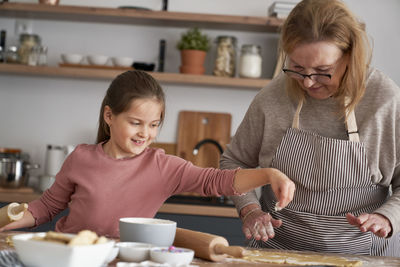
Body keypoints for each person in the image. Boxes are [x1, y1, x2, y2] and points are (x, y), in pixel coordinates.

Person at [0, 70, 295, 238]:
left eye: (154, 125)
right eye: (136, 123)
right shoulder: (81, 157)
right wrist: (7, 224)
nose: (146, 133)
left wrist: (269, 174)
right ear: (109, 116)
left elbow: (217, 181)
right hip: (70, 257)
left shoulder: (162, 167)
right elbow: (45, 208)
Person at [220, 0, 400, 257]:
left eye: (323, 71)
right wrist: (250, 210)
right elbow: (234, 162)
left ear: (350, 56)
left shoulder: (384, 99)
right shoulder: (273, 97)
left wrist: (387, 217)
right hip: (278, 253)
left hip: (364, 255)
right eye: (297, 68)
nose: (307, 82)